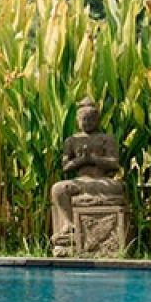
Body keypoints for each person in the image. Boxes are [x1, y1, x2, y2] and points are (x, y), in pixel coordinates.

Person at [50, 97, 124, 256]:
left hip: (101, 181)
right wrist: (81, 160)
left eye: (91, 119)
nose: (87, 122)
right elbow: (66, 167)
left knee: (118, 187)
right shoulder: (72, 140)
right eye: (84, 119)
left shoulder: (106, 138)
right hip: (80, 181)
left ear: (97, 120)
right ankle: (70, 225)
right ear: (77, 120)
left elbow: (114, 164)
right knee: (57, 188)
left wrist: (95, 160)